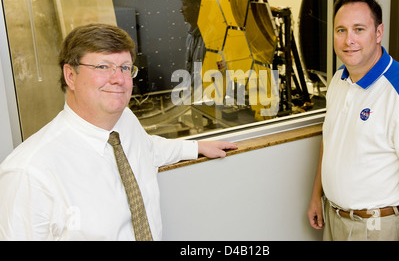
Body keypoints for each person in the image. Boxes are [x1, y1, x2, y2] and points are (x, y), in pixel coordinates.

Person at [0, 23, 237, 240]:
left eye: (125, 68)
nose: (119, 79)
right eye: (103, 66)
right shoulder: (29, 173)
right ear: (70, 75)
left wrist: (196, 147)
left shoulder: (125, 122)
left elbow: (148, 148)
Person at [307, 0, 399, 241]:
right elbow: (331, 140)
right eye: (341, 30)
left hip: (377, 229)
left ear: (378, 33)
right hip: (334, 219)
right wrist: (318, 194)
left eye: (359, 29)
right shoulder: (339, 79)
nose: (349, 40)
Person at [180, 0, 209, 77]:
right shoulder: (190, 37)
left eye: (184, 4)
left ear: (197, 6)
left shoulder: (210, 38)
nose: (181, 10)